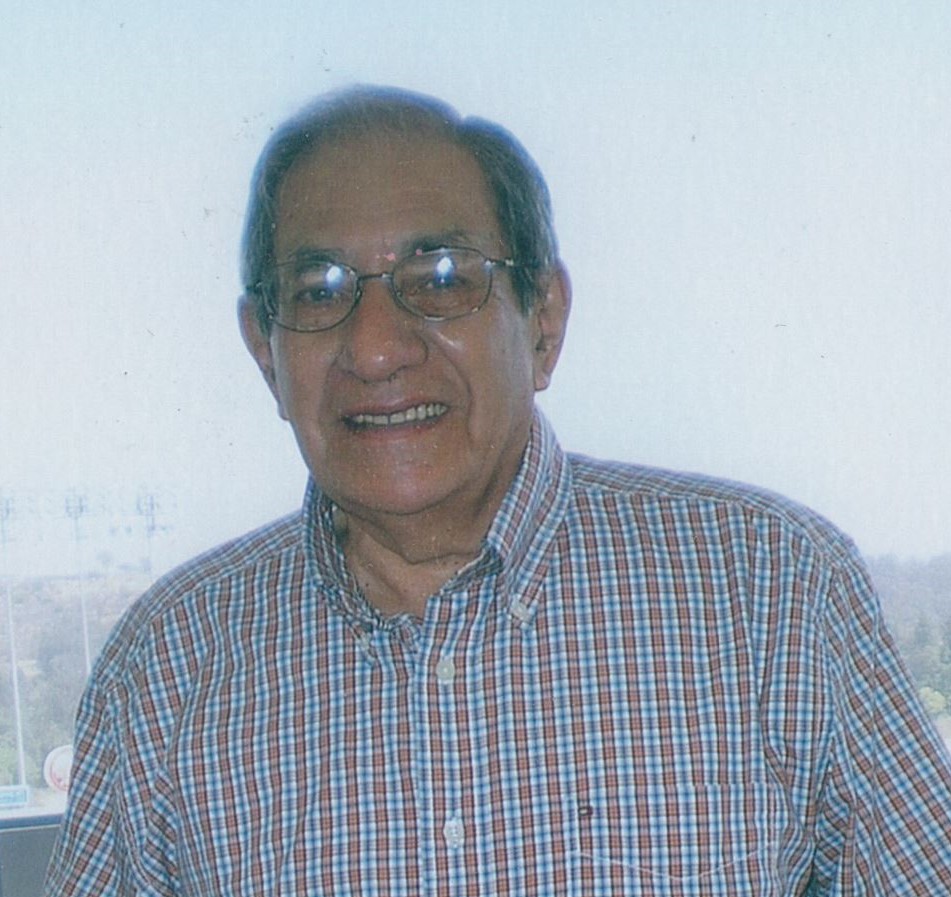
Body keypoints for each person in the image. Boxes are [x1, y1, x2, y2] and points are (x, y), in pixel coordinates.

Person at [45, 85, 951, 896]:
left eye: (440, 278)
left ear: (543, 321)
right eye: (318, 291)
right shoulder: (167, 667)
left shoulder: (772, 591)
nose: (375, 348)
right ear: (263, 351)